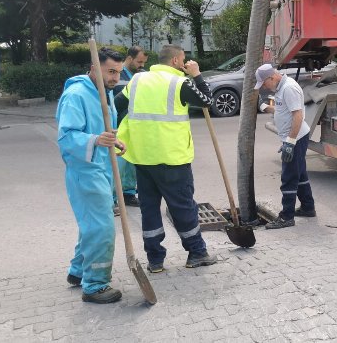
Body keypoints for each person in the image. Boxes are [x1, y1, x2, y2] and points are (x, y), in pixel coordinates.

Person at [115, 44, 217, 273]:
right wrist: (197, 75)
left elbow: (118, 106)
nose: (183, 65)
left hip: (143, 158)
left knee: (149, 209)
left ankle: (155, 260)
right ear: (174, 62)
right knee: (183, 207)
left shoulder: (137, 81)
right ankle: (197, 253)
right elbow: (207, 101)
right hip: (172, 159)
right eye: (182, 61)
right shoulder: (179, 83)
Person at [56, 47, 126, 304]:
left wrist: (112, 141)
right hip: (85, 171)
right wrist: (97, 139)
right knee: (101, 227)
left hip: (101, 168)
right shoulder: (76, 94)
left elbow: (103, 129)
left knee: (92, 224)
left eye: (118, 72)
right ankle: (95, 285)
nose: (115, 77)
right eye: (110, 71)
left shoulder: (104, 92)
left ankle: (77, 271)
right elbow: (66, 137)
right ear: (94, 68)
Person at [255, 63, 316, 229]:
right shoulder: (281, 88)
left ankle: (286, 217)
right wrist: (263, 106)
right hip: (294, 138)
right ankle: (308, 207)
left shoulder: (289, 88)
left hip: (296, 138)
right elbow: (282, 111)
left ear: (271, 77)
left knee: (288, 176)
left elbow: (298, 115)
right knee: (300, 174)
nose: (265, 88)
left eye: (264, 84)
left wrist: (290, 142)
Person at [113, 46, 148, 207]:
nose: (141, 65)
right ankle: (113, 197)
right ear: (129, 58)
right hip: (119, 126)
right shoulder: (117, 75)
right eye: (139, 61)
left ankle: (128, 193)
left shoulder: (142, 75)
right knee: (118, 164)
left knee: (132, 164)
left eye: (144, 62)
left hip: (136, 127)